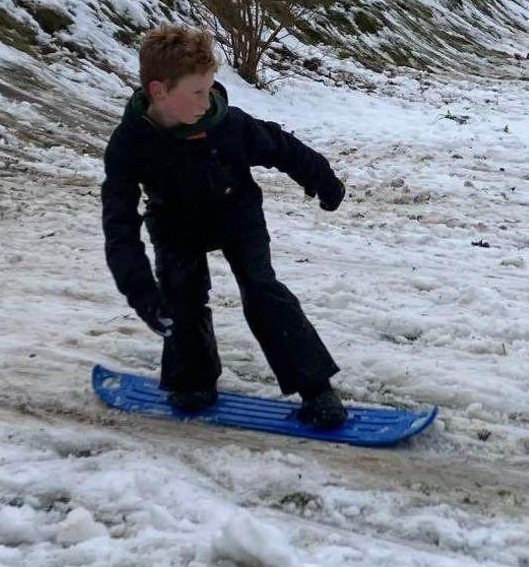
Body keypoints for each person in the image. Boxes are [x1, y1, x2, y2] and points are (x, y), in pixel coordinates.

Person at [100, 25, 351, 427]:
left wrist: (323, 180)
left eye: (211, 88)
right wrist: (140, 290)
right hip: (175, 224)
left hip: (238, 215)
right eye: (197, 92)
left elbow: (282, 147)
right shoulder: (131, 143)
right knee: (181, 296)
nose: (208, 99)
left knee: (263, 290)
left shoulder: (226, 123)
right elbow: (119, 224)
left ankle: (317, 388)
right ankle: (193, 379)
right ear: (159, 91)